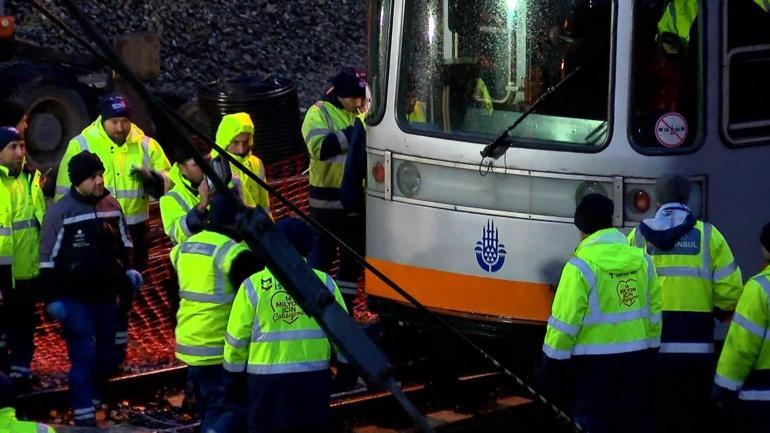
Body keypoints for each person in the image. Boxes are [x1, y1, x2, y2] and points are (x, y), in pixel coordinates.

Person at [53, 93, 171, 369]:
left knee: (127, 291)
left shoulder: (145, 145)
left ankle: (116, 349)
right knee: (100, 292)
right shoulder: (82, 144)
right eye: (114, 122)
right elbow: (63, 194)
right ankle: (101, 349)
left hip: (134, 229)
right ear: (103, 120)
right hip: (97, 231)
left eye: (124, 121)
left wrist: (155, 180)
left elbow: (170, 184)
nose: (120, 127)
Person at [628, 173, 743, 433]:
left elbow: (626, 291)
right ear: (687, 198)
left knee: (655, 418)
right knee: (691, 420)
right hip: (696, 354)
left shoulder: (637, 238)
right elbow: (730, 295)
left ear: (657, 200)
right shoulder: (710, 236)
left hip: (650, 351)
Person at [538, 193, 661, 433]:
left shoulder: (580, 267)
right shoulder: (642, 260)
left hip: (591, 371)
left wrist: (550, 366)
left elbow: (564, 325)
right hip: (637, 363)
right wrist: (652, 351)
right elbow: (655, 312)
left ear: (582, 228)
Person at [39, 151, 141, 426]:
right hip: (75, 301)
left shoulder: (110, 205)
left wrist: (128, 270)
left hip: (107, 297)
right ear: (77, 181)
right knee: (83, 355)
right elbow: (47, 258)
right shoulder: (61, 213)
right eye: (93, 177)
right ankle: (84, 415)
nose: (99, 181)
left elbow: (124, 242)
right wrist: (52, 298)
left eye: (100, 175)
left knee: (108, 353)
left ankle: (95, 397)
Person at [224, 217, 352, 433]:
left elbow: (236, 339)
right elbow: (344, 335)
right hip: (312, 382)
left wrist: (233, 377)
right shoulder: (324, 283)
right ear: (307, 246)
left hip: (265, 385)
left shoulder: (252, 287)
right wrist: (345, 369)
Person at [171, 194, 261, 431]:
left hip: (191, 343)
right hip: (218, 348)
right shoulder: (233, 253)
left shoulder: (185, 247)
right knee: (226, 409)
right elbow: (254, 299)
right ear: (233, 222)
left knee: (208, 406)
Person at [301, 67, 368, 307]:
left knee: (351, 262)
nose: (360, 102)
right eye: (354, 97)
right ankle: (309, 305)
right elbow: (320, 147)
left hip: (353, 202)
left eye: (362, 96)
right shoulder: (318, 113)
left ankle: (344, 308)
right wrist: (355, 133)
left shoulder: (359, 112)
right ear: (339, 94)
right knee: (321, 257)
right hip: (326, 205)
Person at [711, 223, 770, 433]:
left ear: (766, 249)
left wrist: (723, 390)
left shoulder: (760, 289)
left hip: (762, 398)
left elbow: (742, 347)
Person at [0, 126, 46, 392]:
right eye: (12, 148)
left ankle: (20, 377)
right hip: (3, 270)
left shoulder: (31, 178)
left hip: (26, 269)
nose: (20, 153)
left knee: (24, 326)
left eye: (22, 146)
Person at [216, 112, 268, 213]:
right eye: (236, 142)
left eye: (245, 142)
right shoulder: (217, 168)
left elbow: (265, 205)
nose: (241, 149)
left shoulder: (256, 163)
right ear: (225, 141)